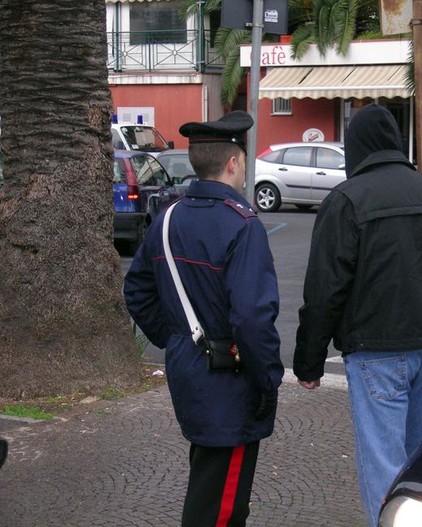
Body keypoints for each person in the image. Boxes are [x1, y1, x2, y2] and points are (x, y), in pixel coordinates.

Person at [293, 104, 422, 527]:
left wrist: (309, 361)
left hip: (376, 352)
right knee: (421, 464)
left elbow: (323, 290)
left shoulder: (346, 201)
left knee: (385, 468)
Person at [123, 111, 283, 527]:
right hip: (232, 381)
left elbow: (137, 291)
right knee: (221, 507)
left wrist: (178, 339)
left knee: (210, 484)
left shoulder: (167, 219)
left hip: (189, 371)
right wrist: (268, 379)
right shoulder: (243, 226)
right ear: (233, 162)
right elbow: (251, 318)